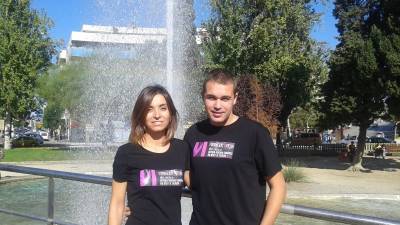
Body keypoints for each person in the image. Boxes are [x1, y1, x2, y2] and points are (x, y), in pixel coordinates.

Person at [184, 69, 286, 225]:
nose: (217, 105)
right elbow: (186, 172)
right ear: (203, 97)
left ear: (235, 98)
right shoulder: (193, 133)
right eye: (211, 98)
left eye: (225, 98)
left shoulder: (255, 133)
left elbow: (278, 186)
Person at [108, 85, 190, 225]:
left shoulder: (182, 149)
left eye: (163, 108)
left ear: (170, 114)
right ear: (141, 115)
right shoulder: (127, 153)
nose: (157, 115)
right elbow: (117, 204)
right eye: (149, 109)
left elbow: (201, 186)